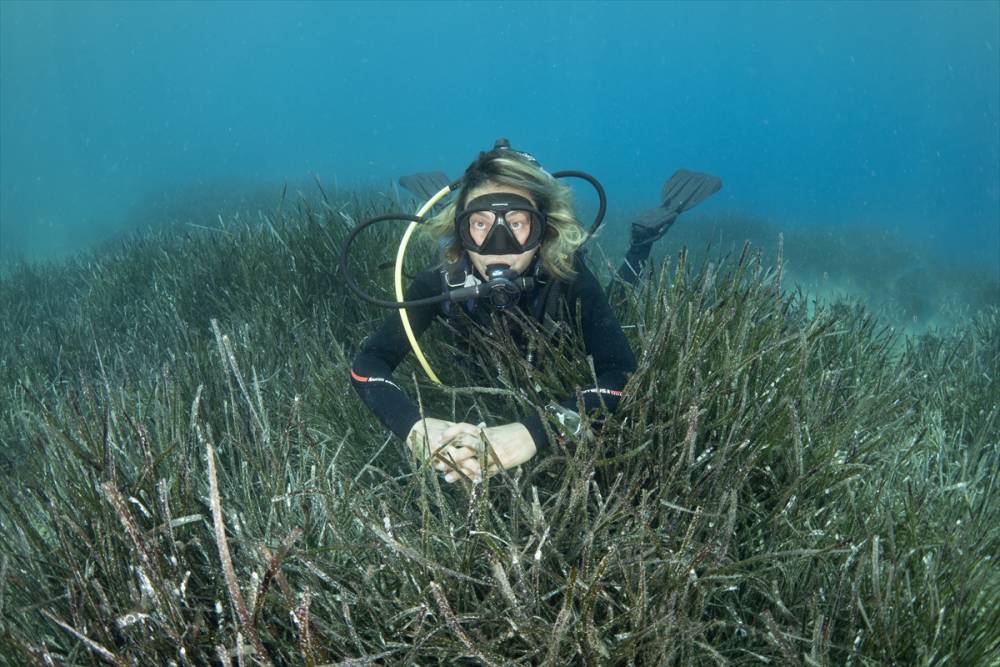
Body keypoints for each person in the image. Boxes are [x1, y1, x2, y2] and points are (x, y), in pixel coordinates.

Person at [350, 142, 636, 484]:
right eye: (480, 224)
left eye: (516, 224)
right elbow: (369, 363)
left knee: (621, 295)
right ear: (461, 231)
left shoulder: (568, 279)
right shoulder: (440, 281)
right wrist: (415, 426)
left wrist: (535, 431)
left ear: (544, 230)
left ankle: (642, 242)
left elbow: (621, 375)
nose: (497, 246)